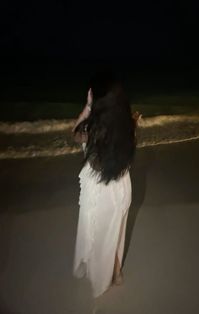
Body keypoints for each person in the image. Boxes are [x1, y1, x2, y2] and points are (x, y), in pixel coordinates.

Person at [73, 75, 136, 297]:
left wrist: (87, 108)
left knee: (100, 235)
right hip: (123, 186)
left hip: (101, 191)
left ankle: (106, 276)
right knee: (116, 232)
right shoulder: (128, 124)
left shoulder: (93, 131)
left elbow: (74, 134)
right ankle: (117, 273)